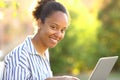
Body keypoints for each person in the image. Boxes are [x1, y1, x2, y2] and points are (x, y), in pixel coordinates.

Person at [2, 0, 80, 80]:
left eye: (62, 30)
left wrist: (61, 78)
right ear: (39, 23)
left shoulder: (44, 53)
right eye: (53, 27)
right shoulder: (20, 58)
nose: (59, 34)